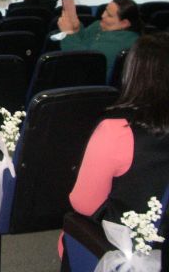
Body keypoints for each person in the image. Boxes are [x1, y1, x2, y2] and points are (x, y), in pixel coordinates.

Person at [60, 33, 169, 261]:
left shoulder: (117, 131)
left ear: (133, 73)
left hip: (124, 249)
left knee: (71, 226)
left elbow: (84, 204)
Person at [58, 0, 140, 77]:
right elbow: (83, 39)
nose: (103, 15)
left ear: (124, 23)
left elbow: (83, 59)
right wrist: (77, 28)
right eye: (105, 10)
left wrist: (68, 33)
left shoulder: (123, 42)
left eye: (109, 15)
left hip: (91, 82)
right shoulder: (99, 25)